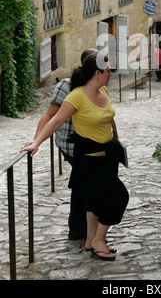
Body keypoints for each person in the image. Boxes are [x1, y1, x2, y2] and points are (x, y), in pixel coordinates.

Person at [21, 53, 128, 261]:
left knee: (95, 200)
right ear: (97, 73)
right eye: (107, 70)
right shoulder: (76, 96)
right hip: (89, 159)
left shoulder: (102, 90)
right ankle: (99, 240)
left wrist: (117, 139)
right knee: (119, 197)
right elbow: (54, 120)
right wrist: (37, 141)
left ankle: (90, 240)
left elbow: (108, 118)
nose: (111, 73)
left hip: (108, 155)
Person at [33, 48, 98, 241]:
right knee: (87, 185)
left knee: (81, 184)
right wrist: (36, 140)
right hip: (70, 145)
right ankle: (85, 230)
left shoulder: (96, 85)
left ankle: (77, 229)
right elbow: (49, 115)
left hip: (88, 144)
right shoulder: (65, 86)